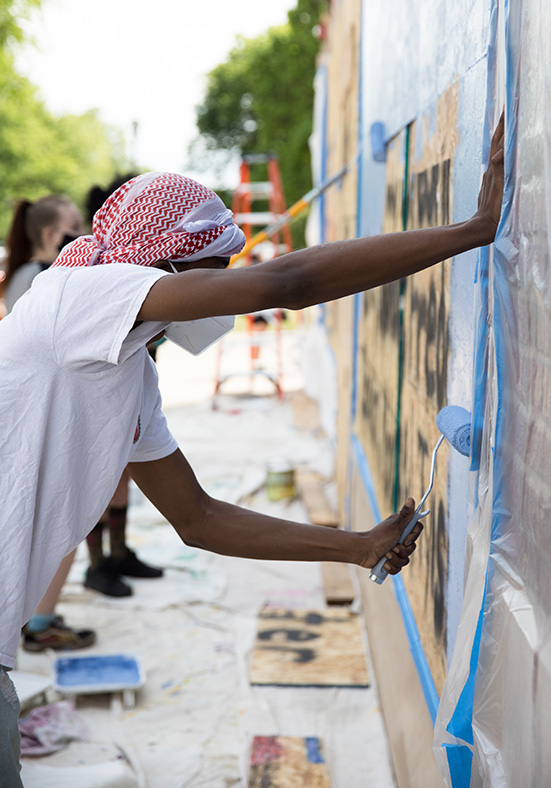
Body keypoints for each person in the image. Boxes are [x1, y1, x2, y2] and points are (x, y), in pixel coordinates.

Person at [0, 115, 504, 785]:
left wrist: (357, 546)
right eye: (217, 266)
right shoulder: (78, 297)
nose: (224, 284)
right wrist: (471, 230)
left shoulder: (132, 375)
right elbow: (287, 285)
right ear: (165, 259)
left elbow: (200, 519)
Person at [0, 194, 96, 654]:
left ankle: (35, 617)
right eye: (75, 228)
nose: (85, 235)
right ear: (50, 236)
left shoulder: (34, 277)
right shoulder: (39, 281)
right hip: (35, 419)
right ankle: (37, 623)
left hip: (38, 416)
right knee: (56, 523)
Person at [82, 175, 165, 597]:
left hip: (128, 393)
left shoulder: (135, 267)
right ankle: (97, 565)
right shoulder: (98, 272)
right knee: (99, 481)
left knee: (121, 479)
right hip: (99, 399)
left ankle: (117, 554)